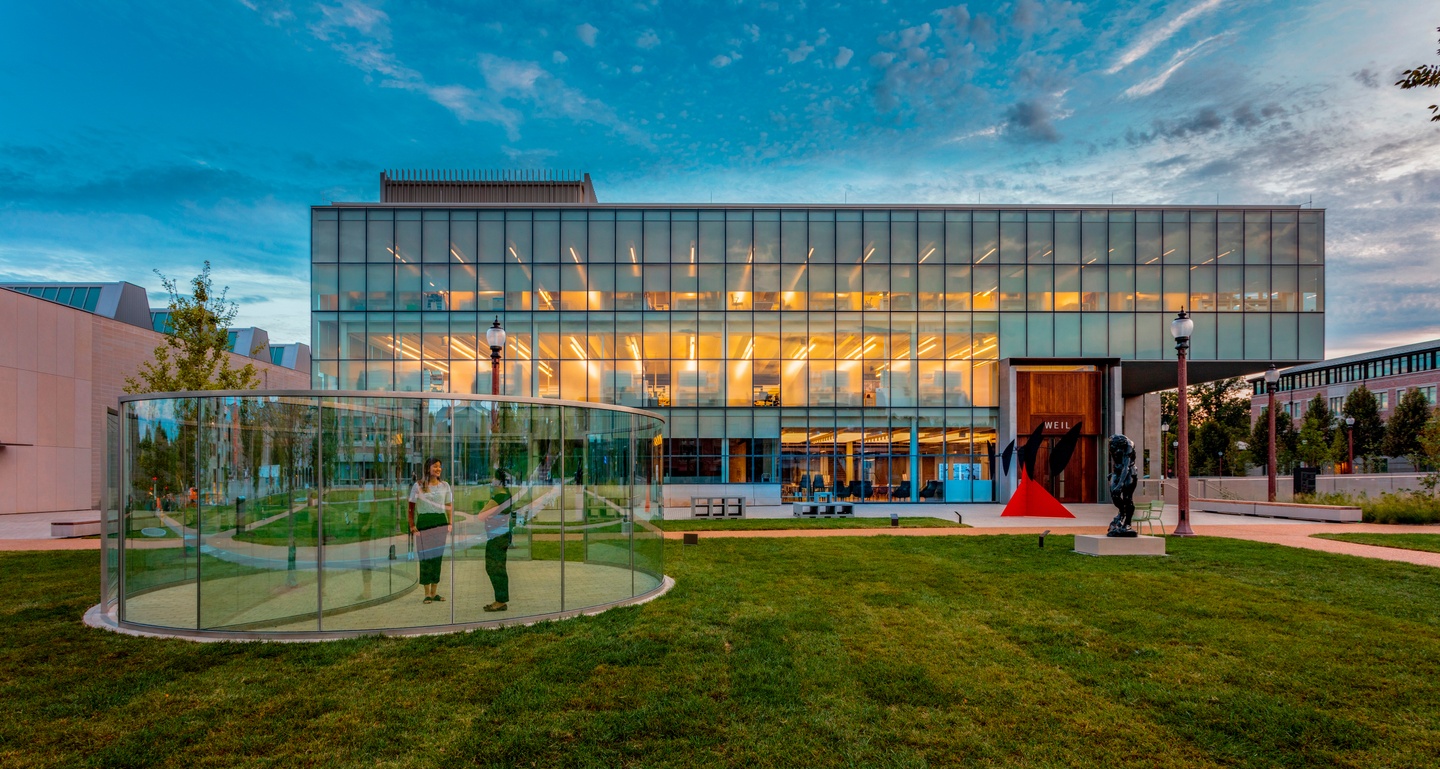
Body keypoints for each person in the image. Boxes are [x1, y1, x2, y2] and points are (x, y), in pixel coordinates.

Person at [408, 457, 453, 604]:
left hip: (440, 522)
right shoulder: (419, 485)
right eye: (435, 467)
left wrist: (450, 523)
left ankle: (435, 592)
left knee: (436, 558)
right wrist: (412, 525)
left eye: (440, 467)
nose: (438, 469)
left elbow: (449, 505)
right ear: (428, 468)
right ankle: (426, 593)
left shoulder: (445, 485)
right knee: (425, 557)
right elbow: (411, 507)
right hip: (424, 523)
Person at [477, 469, 513, 612]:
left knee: (494, 567)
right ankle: (500, 599)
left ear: (499, 481)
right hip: (503, 535)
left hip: (496, 537)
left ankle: (500, 601)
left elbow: (481, 516)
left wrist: (489, 514)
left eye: (493, 478)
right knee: (498, 567)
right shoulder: (508, 496)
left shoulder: (499, 497)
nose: (492, 481)